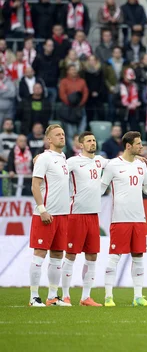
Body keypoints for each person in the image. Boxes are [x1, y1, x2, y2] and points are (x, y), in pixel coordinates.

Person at [100, 131, 147, 307]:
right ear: (128, 146)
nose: (141, 147)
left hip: (139, 218)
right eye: (138, 144)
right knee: (114, 257)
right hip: (120, 219)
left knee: (138, 256)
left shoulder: (141, 165)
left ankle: (138, 297)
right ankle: (108, 297)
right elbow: (101, 188)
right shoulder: (113, 165)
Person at [60, 132, 107, 307]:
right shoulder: (72, 162)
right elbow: (56, 169)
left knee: (92, 256)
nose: (92, 143)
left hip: (93, 215)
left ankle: (85, 297)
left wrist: (139, 158)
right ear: (81, 145)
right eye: (88, 140)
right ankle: (65, 295)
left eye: (94, 140)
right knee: (70, 255)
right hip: (76, 214)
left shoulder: (100, 161)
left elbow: (120, 164)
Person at [28, 125, 70, 307]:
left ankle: (53, 296)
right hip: (46, 214)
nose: (62, 137)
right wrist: (42, 208)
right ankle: (33, 296)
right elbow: (35, 185)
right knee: (39, 253)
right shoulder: (44, 158)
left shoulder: (63, 158)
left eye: (63, 134)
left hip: (63, 215)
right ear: (49, 140)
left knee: (57, 255)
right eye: (57, 135)